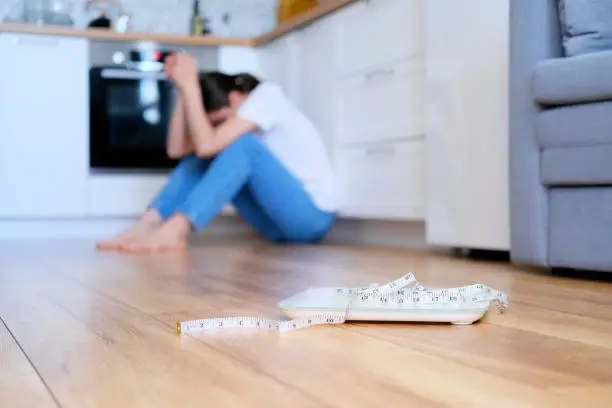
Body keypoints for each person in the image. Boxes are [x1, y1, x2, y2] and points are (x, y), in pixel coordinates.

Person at [96, 52, 337, 253]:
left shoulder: (268, 95)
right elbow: (177, 150)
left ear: (233, 99)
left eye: (221, 121)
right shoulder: (240, 117)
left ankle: (177, 229)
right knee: (207, 155)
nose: (218, 130)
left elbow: (207, 145)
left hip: (310, 219)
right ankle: (148, 224)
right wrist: (183, 91)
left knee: (241, 146)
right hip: (274, 226)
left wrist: (191, 82)